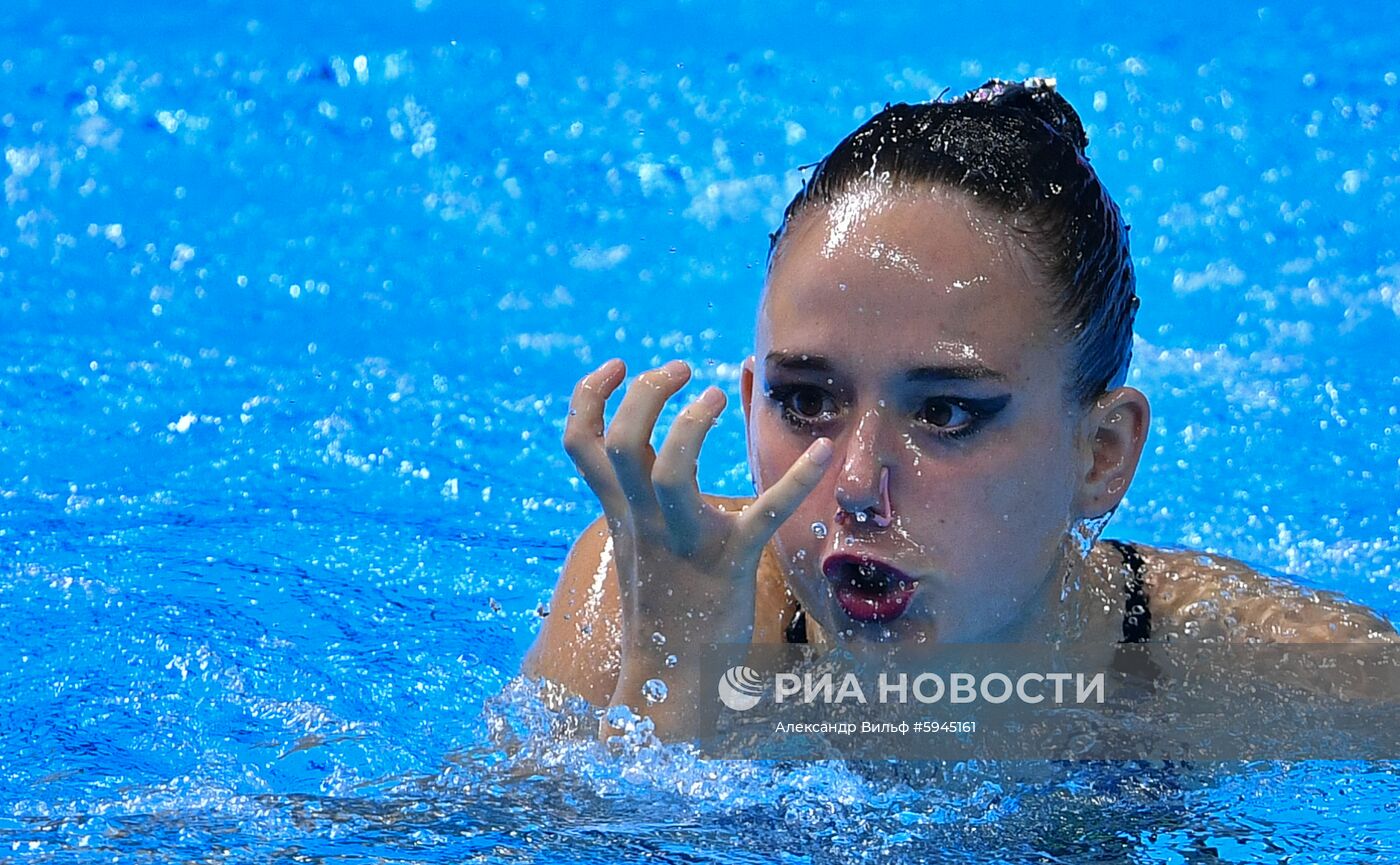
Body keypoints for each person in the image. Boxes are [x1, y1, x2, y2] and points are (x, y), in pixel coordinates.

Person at [522, 77, 1397, 741]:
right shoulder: (652, 588)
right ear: (751, 404)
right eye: (807, 399)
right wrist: (666, 700)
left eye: (945, 411)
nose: (859, 483)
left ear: (1101, 453)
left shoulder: (1243, 668)